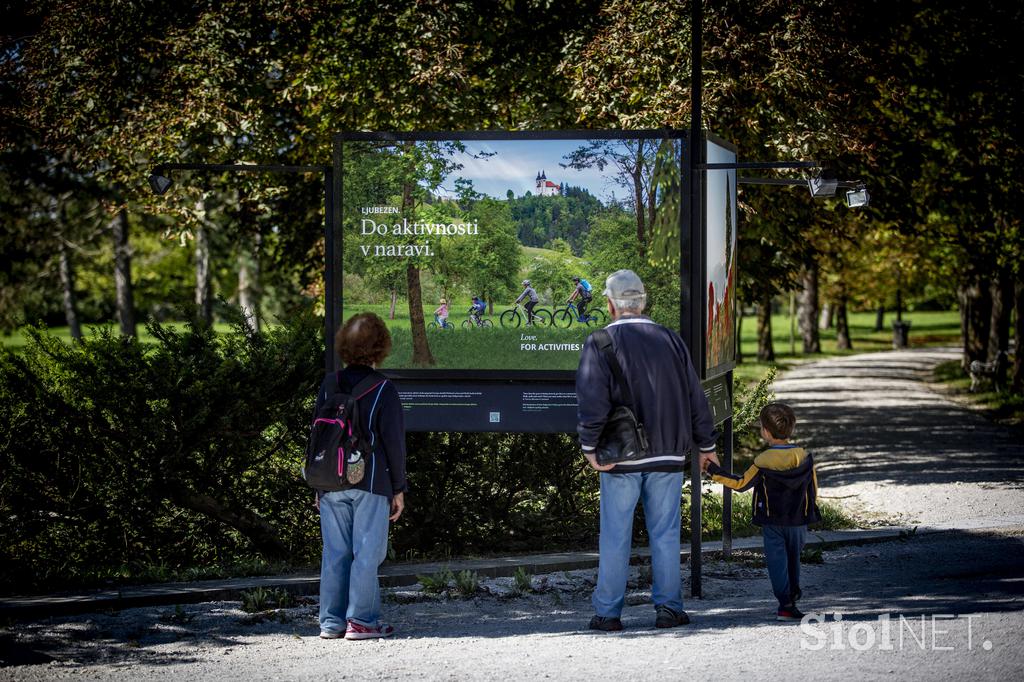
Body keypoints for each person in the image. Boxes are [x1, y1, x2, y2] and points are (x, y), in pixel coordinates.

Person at [576, 269, 719, 632]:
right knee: (667, 533)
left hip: (620, 456)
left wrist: (590, 447)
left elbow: (592, 400)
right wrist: (706, 445)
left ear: (610, 305)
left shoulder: (600, 342)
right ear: (643, 302)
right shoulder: (670, 339)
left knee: (614, 535)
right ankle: (669, 609)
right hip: (669, 453)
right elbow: (694, 396)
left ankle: (608, 613)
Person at [315, 312, 407, 640]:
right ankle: (362, 622)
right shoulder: (384, 389)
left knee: (335, 552)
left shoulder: (329, 384)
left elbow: (318, 437)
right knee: (367, 552)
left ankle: (331, 623)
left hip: (331, 481)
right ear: (380, 346)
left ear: (344, 344)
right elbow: (394, 443)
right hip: (370, 482)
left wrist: (319, 484)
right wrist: (398, 488)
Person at [704, 402, 820, 622]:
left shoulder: (763, 461)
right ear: (791, 429)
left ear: (765, 432)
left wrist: (713, 471)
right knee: (793, 559)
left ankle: (785, 604)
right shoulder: (804, 457)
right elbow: (813, 489)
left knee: (778, 562)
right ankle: (793, 597)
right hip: (798, 520)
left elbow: (740, 484)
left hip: (773, 520)